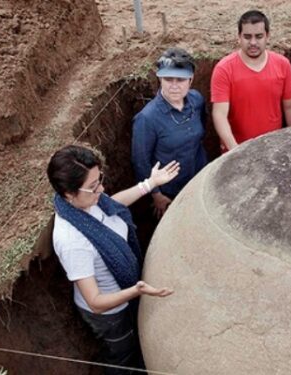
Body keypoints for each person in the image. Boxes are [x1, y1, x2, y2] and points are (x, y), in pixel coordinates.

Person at [48, 145, 178, 374]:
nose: (101, 189)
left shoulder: (88, 202)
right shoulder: (72, 241)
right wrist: (136, 290)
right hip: (111, 315)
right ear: (69, 193)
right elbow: (96, 302)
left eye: (99, 180)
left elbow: (111, 207)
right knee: (122, 353)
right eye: (92, 187)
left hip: (125, 291)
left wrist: (150, 183)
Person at [131, 47, 208, 219]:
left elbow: (202, 130)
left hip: (198, 179)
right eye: (168, 79)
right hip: (170, 191)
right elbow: (140, 162)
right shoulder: (147, 119)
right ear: (159, 79)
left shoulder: (196, 100)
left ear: (191, 79)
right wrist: (156, 195)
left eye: (180, 80)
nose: (174, 86)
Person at [211, 10, 291, 152]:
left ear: (267, 36)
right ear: (239, 37)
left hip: (272, 147)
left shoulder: (282, 65)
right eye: (247, 37)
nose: (253, 42)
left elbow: (290, 106)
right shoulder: (224, 69)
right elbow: (220, 114)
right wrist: (234, 150)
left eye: (258, 36)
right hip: (237, 149)